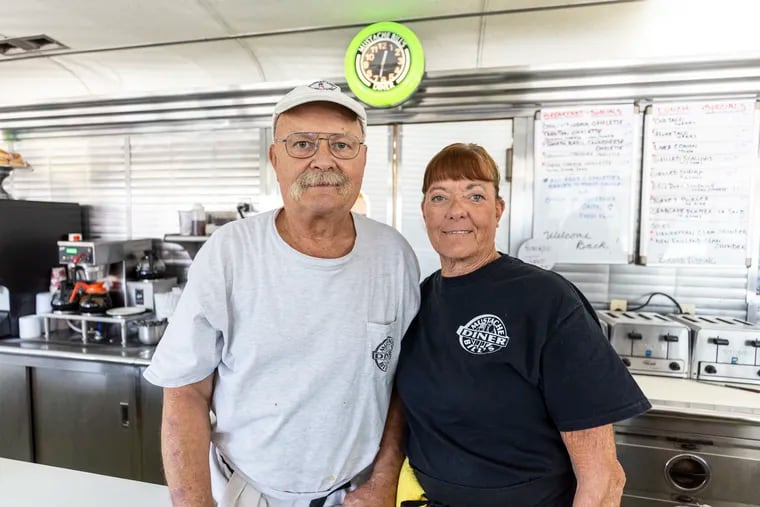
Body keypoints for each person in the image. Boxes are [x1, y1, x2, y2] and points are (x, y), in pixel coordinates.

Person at [144, 80, 421, 507]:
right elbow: (185, 391)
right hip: (250, 493)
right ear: (275, 157)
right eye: (302, 144)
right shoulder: (231, 252)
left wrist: (383, 481)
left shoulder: (394, 256)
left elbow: (403, 385)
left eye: (343, 145)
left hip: (357, 496)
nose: (323, 160)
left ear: (363, 158)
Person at [394, 143, 651, 507]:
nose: (456, 211)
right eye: (440, 197)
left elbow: (603, 474)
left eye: (475, 195)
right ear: (424, 212)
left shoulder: (546, 299)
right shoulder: (419, 300)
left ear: (497, 210)